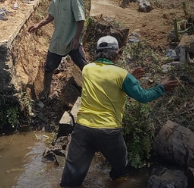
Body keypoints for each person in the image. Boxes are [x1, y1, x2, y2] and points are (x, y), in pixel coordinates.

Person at [60, 35, 179, 187]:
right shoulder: (122, 75)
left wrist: (129, 77)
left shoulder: (87, 70)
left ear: (97, 52)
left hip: (83, 129)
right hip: (108, 131)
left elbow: (105, 80)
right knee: (120, 168)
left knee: (71, 176)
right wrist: (161, 87)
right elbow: (143, 97)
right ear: (116, 53)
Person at [28, 0, 87, 98]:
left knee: (85, 67)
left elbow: (81, 19)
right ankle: (45, 92)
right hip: (58, 39)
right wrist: (38, 25)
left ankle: (92, 90)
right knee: (49, 67)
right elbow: (51, 16)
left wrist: (77, 38)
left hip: (72, 40)